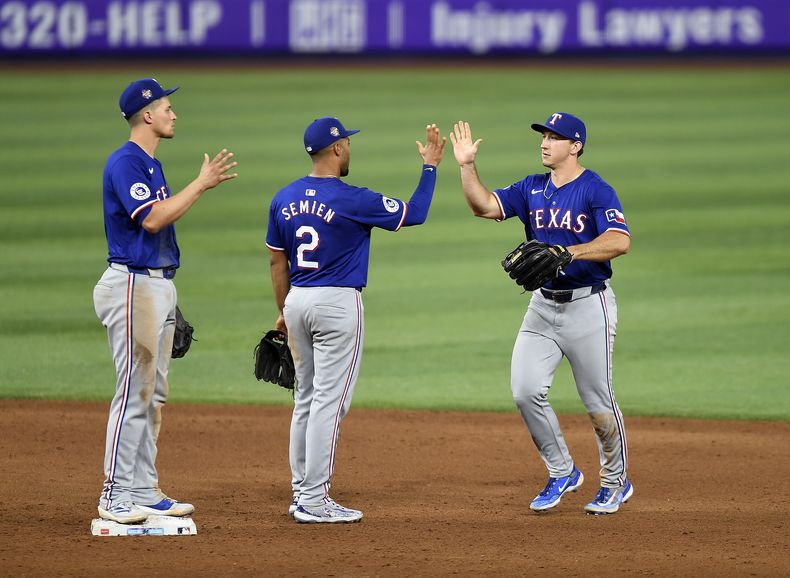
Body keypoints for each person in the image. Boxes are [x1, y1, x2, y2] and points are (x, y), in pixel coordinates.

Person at [449, 113, 632, 515]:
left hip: (589, 306)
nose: (546, 142)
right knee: (525, 390)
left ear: (576, 145)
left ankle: (615, 481)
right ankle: (562, 471)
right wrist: (466, 166)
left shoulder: (595, 189)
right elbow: (484, 207)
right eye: (544, 136)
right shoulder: (531, 187)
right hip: (542, 306)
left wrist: (571, 251)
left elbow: (619, 240)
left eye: (556, 137)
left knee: (598, 402)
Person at [266, 117, 445, 523]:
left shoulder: (284, 197)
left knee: (306, 398)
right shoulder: (352, 198)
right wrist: (431, 166)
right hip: (336, 305)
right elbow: (414, 214)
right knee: (330, 402)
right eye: (347, 142)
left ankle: (302, 490)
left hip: (297, 301)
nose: (349, 148)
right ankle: (314, 498)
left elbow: (277, 261)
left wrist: (283, 309)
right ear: (336, 149)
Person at [93, 78, 238, 524]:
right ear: (148, 115)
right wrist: (201, 184)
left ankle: (143, 488)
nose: (174, 114)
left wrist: (166, 293)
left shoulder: (151, 165)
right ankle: (113, 493)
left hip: (154, 284)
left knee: (153, 394)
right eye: (167, 107)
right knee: (133, 391)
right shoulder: (125, 163)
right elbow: (153, 220)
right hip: (132, 284)